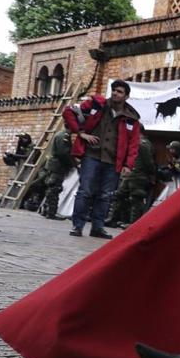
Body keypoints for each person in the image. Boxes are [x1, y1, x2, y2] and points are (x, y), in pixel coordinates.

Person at [63, 81, 141, 239]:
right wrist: (81, 133)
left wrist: (128, 165)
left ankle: (97, 228)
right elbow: (68, 111)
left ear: (126, 96)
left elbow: (133, 145)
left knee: (106, 195)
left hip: (113, 162)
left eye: (119, 92)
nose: (115, 93)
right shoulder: (97, 105)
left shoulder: (131, 119)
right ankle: (77, 226)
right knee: (85, 191)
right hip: (92, 156)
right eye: (114, 90)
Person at [107, 135, 156, 228]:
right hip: (130, 173)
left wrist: (151, 173)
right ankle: (113, 219)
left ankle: (133, 224)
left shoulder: (142, 144)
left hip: (138, 174)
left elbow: (148, 162)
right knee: (119, 195)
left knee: (136, 199)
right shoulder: (137, 142)